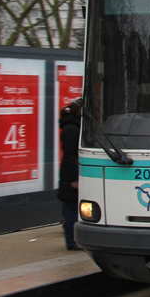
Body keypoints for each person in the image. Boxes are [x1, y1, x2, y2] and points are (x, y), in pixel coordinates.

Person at [57, 100, 82, 250]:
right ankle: (71, 240)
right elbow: (70, 155)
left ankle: (72, 239)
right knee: (71, 208)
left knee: (71, 208)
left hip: (69, 173)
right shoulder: (72, 129)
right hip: (70, 175)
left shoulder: (70, 127)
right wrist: (75, 178)